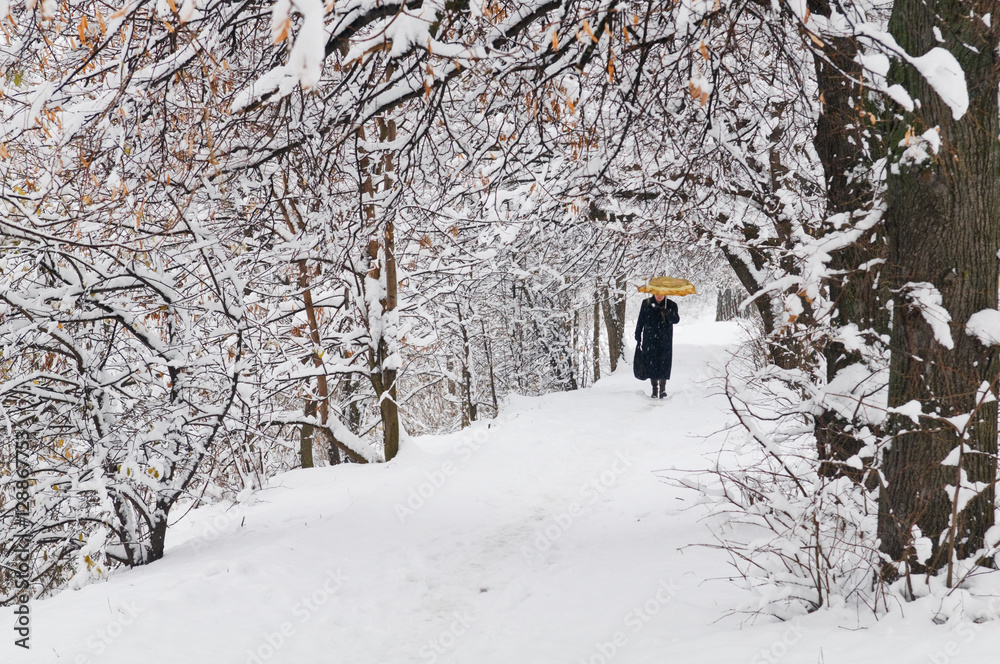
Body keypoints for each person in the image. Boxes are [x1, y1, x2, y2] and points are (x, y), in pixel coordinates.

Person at [634, 293, 680, 398]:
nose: (659, 296)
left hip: (665, 339)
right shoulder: (646, 303)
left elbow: (676, 320)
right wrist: (638, 334)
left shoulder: (671, 305)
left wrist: (668, 313)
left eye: (662, 293)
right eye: (657, 293)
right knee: (652, 363)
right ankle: (654, 389)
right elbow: (641, 319)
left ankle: (663, 389)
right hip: (650, 338)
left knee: (664, 362)